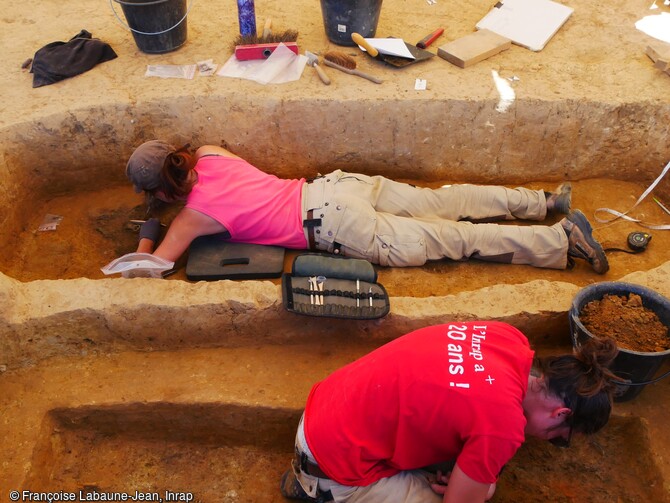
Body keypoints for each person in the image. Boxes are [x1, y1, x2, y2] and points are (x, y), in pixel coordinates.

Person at [125, 140, 609, 274]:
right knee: (441, 202)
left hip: (332, 225)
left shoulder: (190, 219)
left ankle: (560, 239)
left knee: (451, 238)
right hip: (337, 187)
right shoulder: (211, 152)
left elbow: (155, 266)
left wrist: (151, 229)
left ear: (164, 192)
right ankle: (542, 202)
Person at [280, 321, 621, 503]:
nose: (545, 440)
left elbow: (471, 401)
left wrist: (481, 481)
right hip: (332, 463)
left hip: (326, 410)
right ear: (560, 414)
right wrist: (480, 489)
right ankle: (319, 490)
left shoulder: (508, 340)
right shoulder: (501, 428)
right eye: (556, 440)